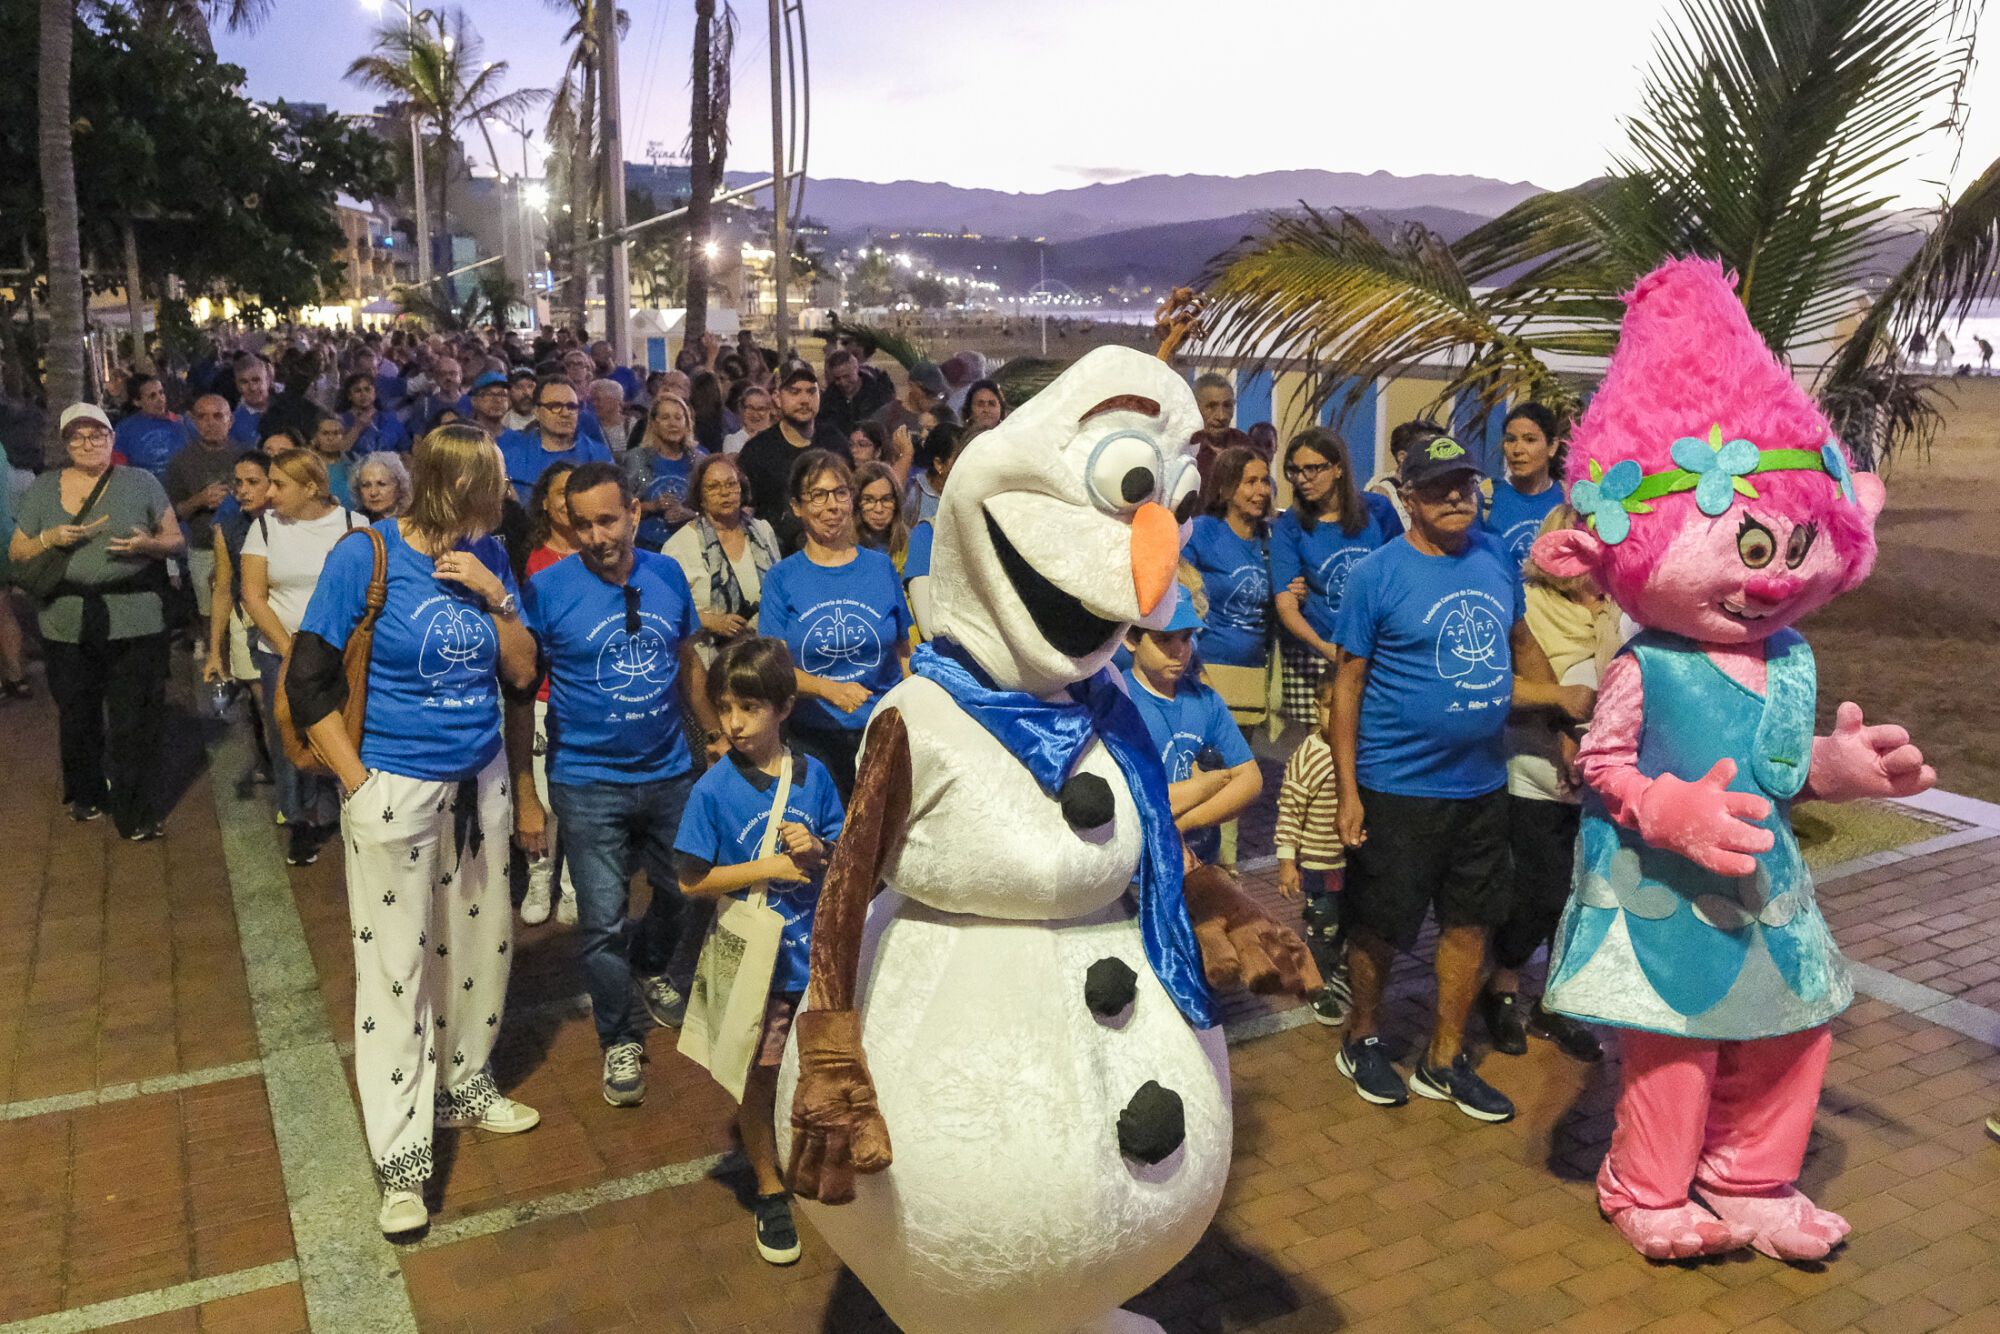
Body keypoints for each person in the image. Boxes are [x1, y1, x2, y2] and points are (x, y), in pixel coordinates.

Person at [289, 425, 541, 1237]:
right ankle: (401, 1159)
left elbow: (524, 671)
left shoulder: (489, 559)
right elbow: (307, 677)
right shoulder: (366, 559)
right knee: (395, 971)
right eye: (495, 484)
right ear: (457, 487)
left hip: (481, 782)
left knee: (480, 942)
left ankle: (466, 1083)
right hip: (393, 784)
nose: (506, 497)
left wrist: (494, 595)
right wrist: (357, 783)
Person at [1328, 431, 1583, 1123]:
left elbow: (1522, 647)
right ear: (1408, 498)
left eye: (1465, 485)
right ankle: (1364, 1035)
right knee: (1380, 926)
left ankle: (1443, 1059)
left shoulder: (1497, 557)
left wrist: (1562, 724)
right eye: (1438, 487)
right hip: (1396, 785)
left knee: (1471, 924)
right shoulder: (1376, 575)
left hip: (1480, 784)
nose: (1455, 498)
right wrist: (1348, 790)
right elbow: (1347, 685)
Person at [516, 462, 715, 1106]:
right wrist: (525, 782)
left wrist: (713, 738)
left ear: (633, 510)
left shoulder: (665, 574)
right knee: (601, 921)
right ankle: (619, 1036)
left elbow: (684, 660)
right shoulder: (547, 588)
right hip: (586, 779)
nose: (598, 536)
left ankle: (654, 964)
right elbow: (522, 686)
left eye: (608, 520)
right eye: (583, 526)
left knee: (682, 889)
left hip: (668, 770)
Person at [671, 635, 844, 1265]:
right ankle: (769, 1187)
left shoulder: (815, 776)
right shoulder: (712, 792)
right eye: (725, 709)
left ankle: (809, 1159)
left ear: (785, 708)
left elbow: (836, 857)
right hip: (755, 965)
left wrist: (815, 851)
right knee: (759, 1076)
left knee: (815, 1068)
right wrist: (767, 864)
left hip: (811, 958)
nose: (735, 724)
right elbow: (692, 881)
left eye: (750, 708)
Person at [1480, 504, 1614, 1063]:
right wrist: (1563, 726)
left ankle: (1556, 1006)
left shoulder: (1619, 609)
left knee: (1588, 899)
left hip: (1606, 788)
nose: (1587, 540)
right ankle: (1501, 989)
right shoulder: (1530, 608)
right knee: (1538, 894)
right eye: (1575, 530)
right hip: (1535, 778)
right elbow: (1501, 692)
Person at [10, 404, 183, 838]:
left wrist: (147, 544)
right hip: (67, 620)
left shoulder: (141, 482)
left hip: (135, 616)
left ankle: (135, 810)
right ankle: (86, 792)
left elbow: (176, 540)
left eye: (97, 435)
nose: (88, 444)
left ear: (112, 439)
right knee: (78, 713)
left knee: (134, 717)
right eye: (78, 437)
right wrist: (51, 537)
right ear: (66, 443)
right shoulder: (44, 488)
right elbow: (18, 552)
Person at [757, 450, 912, 798]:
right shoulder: (782, 578)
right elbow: (776, 669)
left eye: (840, 493)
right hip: (814, 738)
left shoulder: (880, 567)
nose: (832, 506)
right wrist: (829, 689)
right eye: (818, 495)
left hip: (882, 730)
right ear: (797, 507)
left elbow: (904, 650)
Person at [240, 449, 361, 865]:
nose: (269, 493)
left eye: (279, 484)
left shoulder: (352, 525)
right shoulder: (266, 529)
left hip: (341, 652)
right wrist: (293, 649)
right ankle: (300, 819)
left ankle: (343, 809)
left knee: (344, 727)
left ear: (311, 487)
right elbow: (253, 595)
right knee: (290, 732)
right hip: (284, 652)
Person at [1270, 427, 1400, 727]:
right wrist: (1326, 648)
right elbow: (1286, 605)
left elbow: (1401, 570)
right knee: (1322, 749)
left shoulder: (1377, 509)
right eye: (1295, 471)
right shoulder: (1290, 525)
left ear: (1338, 468)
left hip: (1378, 649)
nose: (1303, 479)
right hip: (1318, 651)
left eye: (1312, 469)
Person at [1121, 599, 1263, 869]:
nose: (1178, 651)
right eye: (1164, 639)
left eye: (1186, 638)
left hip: (1201, 861)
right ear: (1130, 638)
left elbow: (1250, 780)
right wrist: (1206, 786)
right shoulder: (1120, 700)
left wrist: (1181, 824)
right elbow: (1132, 801)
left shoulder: (1205, 699)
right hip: (1139, 870)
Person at [518, 461, 581, 927]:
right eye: (560, 492)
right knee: (539, 794)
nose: (567, 500)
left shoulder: (598, 552)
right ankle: (540, 875)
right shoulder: (530, 556)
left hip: (585, 696)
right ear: (544, 500)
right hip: (541, 695)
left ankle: (572, 885)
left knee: (577, 793)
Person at [1274, 676, 1351, 1026]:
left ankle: (1336, 970)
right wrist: (1288, 861)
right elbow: (1290, 811)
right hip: (1319, 862)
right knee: (1322, 924)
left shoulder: (1356, 747)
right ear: (1316, 708)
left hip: (1349, 858)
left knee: (1344, 921)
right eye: (1329, 707)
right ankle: (1316, 984)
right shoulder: (1310, 756)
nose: (1338, 716)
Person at [1184, 446, 1275, 728]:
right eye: (1250, 482)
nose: (1261, 490)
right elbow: (1181, 595)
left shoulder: (1271, 539)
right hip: (1207, 668)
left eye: (1265, 481)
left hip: (1253, 673)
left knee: (1243, 765)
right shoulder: (1202, 531)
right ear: (1225, 489)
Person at [202, 453, 278, 792]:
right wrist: (215, 652)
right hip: (245, 620)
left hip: (283, 617)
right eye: (238, 483)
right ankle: (276, 771)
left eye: (253, 482)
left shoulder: (288, 524)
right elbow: (221, 589)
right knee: (263, 702)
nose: (243, 490)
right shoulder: (229, 529)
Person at [662, 453, 782, 658]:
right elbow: (667, 612)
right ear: (700, 497)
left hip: (765, 655)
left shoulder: (763, 532)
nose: (724, 493)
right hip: (707, 657)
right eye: (713, 487)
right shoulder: (679, 546)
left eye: (731, 484)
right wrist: (710, 621)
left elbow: (780, 590)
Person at [737, 366, 852, 552]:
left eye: (811, 391)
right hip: (777, 555)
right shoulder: (757, 451)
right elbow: (744, 511)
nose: (805, 400)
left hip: (833, 550)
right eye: (795, 392)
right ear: (777, 398)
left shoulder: (835, 442)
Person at [164, 394, 245, 624]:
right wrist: (198, 500)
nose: (210, 423)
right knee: (209, 615)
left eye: (218, 416)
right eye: (203, 417)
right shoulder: (181, 462)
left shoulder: (245, 455)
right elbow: (172, 512)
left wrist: (235, 499)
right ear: (194, 421)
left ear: (230, 420)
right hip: (202, 548)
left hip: (243, 547)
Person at [498, 377, 613, 505]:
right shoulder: (509, 455)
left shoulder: (599, 456)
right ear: (536, 411)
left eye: (571, 406)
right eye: (555, 406)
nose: (565, 413)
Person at [1484, 403, 1568, 571]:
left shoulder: (1568, 499)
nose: (1517, 450)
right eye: (1510, 440)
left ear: (1552, 447)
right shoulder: (1486, 496)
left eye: (1529, 440)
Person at [625, 391, 703, 550]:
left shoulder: (700, 460)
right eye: (665, 418)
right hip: (646, 549)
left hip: (690, 548)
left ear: (687, 423)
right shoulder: (636, 459)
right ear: (653, 423)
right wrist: (652, 506)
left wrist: (690, 515)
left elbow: (709, 508)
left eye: (678, 418)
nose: (673, 424)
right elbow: (621, 506)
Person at [1365, 419, 1437, 531]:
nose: (1436, 458)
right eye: (1428, 451)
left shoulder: (1437, 489)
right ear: (1402, 457)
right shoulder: (1383, 494)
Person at [113, 374, 187, 479]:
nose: (160, 399)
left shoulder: (181, 423)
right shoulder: (124, 430)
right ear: (137, 402)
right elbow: (118, 470)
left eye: (161, 393)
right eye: (152, 396)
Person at [1190, 372, 1252, 484]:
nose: (1221, 416)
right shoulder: (1186, 448)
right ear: (1195, 407)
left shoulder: (1244, 445)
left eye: (1227, 406)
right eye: (1211, 406)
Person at [852, 461, 911, 571]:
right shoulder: (843, 546)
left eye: (886, 499)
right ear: (856, 503)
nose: (879, 509)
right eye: (868, 500)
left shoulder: (909, 542)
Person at [820, 348, 894, 434]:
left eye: (847, 376)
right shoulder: (828, 400)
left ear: (857, 369)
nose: (843, 383)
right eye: (837, 378)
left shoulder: (879, 393)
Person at [339, 372, 412, 456]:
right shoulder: (341, 421)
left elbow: (404, 450)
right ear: (349, 396)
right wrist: (357, 427)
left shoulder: (390, 418)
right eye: (357, 391)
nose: (363, 394)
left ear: (375, 392)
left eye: (367, 389)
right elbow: (337, 454)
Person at [308, 413, 357, 509]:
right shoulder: (307, 464)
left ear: (343, 436)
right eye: (325, 433)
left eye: (336, 433)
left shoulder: (354, 461)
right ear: (316, 437)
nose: (330, 438)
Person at [352, 452, 412, 523]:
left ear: (399, 486)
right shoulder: (353, 521)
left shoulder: (413, 521)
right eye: (366, 485)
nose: (373, 492)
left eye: (381, 484)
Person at [230, 355, 275, 446]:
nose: (252, 388)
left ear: (268, 380)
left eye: (256, 380)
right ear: (238, 386)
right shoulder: (233, 423)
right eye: (244, 382)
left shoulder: (286, 410)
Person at [721, 385, 773, 455]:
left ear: (769, 410)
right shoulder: (732, 440)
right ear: (742, 409)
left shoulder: (777, 439)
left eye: (761, 409)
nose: (755, 414)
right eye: (750, 408)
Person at [502, 367, 539, 432]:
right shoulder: (503, 424)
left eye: (530, 386)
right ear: (508, 392)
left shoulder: (549, 418)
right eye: (519, 387)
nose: (526, 393)